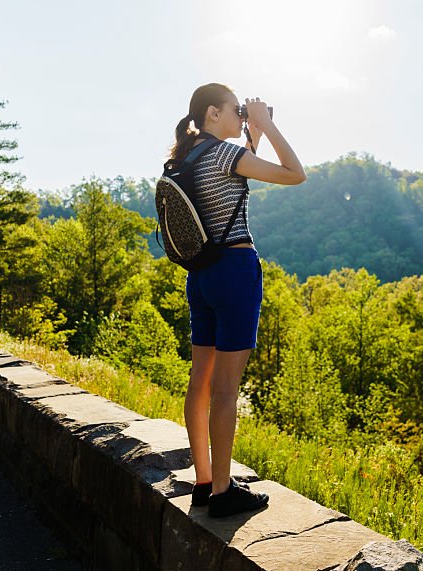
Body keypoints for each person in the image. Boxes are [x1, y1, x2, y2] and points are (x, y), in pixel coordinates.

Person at [170, 83, 306, 518]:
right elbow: (294, 173)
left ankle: (205, 481)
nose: (241, 116)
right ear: (213, 113)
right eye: (235, 110)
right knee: (226, 390)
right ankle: (225, 494)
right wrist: (267, 122)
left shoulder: (186, 157)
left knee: (200, 383)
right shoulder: (224, 156)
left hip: (201, 276)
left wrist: (252, 131)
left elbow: (240, 162)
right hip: (235, 271)